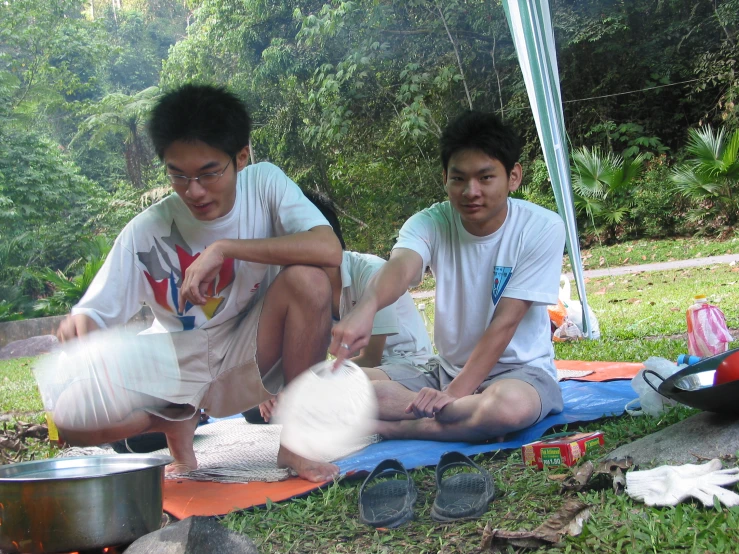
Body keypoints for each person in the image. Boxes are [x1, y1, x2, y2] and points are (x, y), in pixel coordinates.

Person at [54, 84, 343, 482]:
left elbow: (327, 249)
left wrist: (225, 248)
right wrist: (81, 327)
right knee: (71, 417)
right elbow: (93, 313)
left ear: (241, 157)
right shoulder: (147, 230)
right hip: (175, 359)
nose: (194, 190)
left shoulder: (265, 185)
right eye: (178, 174)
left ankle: (297, 443)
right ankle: (173, 420)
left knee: (310, 282)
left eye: (209, 173)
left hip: (249, 340)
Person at [330, 110, 566, 443]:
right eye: (459, 178)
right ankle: (459, 417)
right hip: (442, 372)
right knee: (340, 382)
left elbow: (505, 323)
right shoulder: (431, 222)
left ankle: (399, 426)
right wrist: (367, 306)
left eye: (485, 178)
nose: (471, 191)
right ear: (445, 178)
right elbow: (401, 266)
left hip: (519, 374)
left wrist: (454, 393)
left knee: (508, 408)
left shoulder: (542, 227)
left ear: (513, 176)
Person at [255, 191, 433, 423]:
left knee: (317, 392)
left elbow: (371, 359)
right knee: (260, 406)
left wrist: (304, 385)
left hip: (407, 366)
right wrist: (271, 390)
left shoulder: (371, 273)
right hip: (356, 372)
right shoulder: (297, 290)